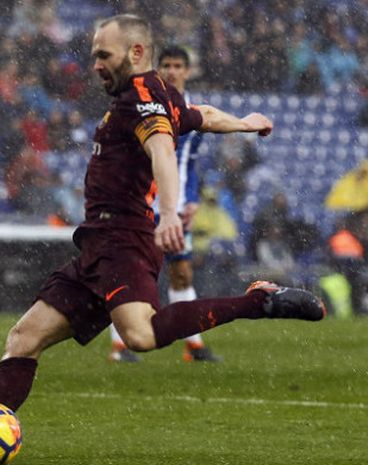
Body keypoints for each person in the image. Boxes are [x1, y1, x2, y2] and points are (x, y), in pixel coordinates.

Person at [0, 14, 326, 414]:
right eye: (94, 56)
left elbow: (162, 151)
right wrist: (243, 123)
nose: (96, 65)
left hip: (123, 240)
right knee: (23, 338)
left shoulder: (142, 99)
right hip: (97, 248)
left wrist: (169, 213)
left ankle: (258, 302)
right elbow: (202, 115)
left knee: (140, 335)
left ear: (136, 53)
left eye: (104, 55)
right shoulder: (158, 94)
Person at [108, 45, 221, 363]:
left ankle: (194, 346)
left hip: (176, 209)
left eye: (177, 66)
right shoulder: (148, 106)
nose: (172, 71)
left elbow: (190, 164)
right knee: (132, 274)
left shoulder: (193, 113)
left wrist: (193, 199)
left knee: (181, 273)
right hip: (144, 206)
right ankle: (120, 346)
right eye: (166, 65)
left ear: (188, 70)